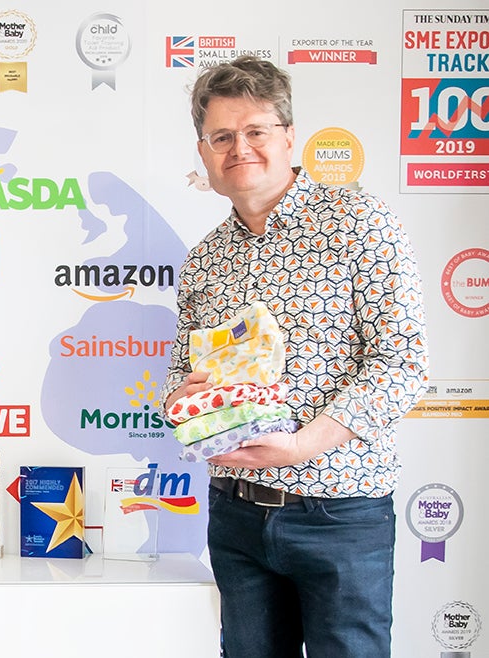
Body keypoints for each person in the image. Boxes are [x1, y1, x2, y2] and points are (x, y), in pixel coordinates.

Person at [162, 56, 429, 657]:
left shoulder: (361, 224)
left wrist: (304, 445)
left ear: (287, 137)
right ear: (204, 153)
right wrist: (181, 401)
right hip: (235, 516)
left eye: (255, 130)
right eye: (222, 136)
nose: (240, 148)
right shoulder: (205, 260)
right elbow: (182, 375)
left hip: (341, 511)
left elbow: (402, 364)